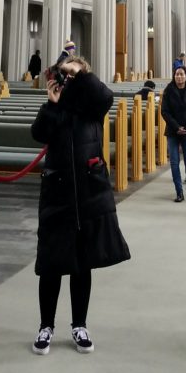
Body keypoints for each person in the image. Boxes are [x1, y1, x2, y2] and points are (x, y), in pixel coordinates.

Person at [28, 56, 128, 353]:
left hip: (87, 191)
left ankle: (79, 325)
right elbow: (39, 134)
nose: (68, 77)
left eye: (74, 73)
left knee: (82, 263)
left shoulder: (92, 107)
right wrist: (52, 103)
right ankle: (46, 326)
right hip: (57, 191)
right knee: (51, 263)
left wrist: (79, 73)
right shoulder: (58, 107)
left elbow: (105, 95)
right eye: (64, 72)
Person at [159, 64, 186, 201]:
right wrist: (177, 126)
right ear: (174, 76)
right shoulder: (169, 91)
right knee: (174, 163)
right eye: (177, 74)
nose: (179, 76)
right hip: (173, 131)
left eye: (181, 74)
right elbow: (164, 111)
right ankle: (179, 192)